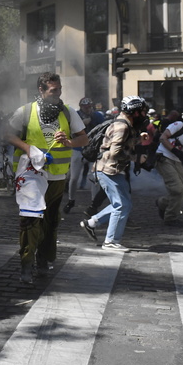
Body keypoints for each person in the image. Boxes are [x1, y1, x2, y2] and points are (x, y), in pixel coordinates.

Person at [4, 72, 88, 283]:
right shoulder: (25, 111)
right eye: (53, 90)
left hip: (57, 178)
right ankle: (26, 263)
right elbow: (7, 134)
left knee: (50, 221)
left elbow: (84, 139)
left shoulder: (68, 112)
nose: (58, 93)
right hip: (30, 175)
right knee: (30, 219)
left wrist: (69, 142)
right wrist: (29, 149)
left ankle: (43, 260)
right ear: (41, 90)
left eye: (59, 89)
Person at [79, 96, 147, 250]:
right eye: (141, 111)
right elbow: (115, 152)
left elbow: (121, 143)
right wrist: (136, 158)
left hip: (113, 170)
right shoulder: (122, 126)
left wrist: (138, 139)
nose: (143, 115)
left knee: (125, 204)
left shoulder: (126, 124)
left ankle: (91, 223)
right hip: (107, 170)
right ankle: (111, 242)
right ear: (134, 112)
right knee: (120, 205)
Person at [64, 97, 105, 214]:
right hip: (78, 149)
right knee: (74, 178)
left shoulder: (97, 116)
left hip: (92, 150)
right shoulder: (75, 115)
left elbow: (103, 129)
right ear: (81, 107)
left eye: (89, 107)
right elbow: (69, 131)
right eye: (85, 107)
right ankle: (71, 200)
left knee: (93, 178)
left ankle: (93, 204)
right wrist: (82, 124)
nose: (87, 109)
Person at [154, 114, 183, 226]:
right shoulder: (179, 125)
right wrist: (175, 151)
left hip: (176, 161)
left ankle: (162, 203)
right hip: (164, 157)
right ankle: (170, 218)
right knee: (177, 190)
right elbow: (163, 138)